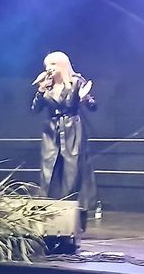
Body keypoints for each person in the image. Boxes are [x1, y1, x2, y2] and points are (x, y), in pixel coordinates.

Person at [31, 51, 97, 230]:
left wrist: (84, 98)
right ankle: (48, 217)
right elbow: (35, 109)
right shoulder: (47, 84)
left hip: (72, 128)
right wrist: (41, 90)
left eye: (53, 65)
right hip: (51, 130)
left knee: (73, 171)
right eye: (47, 66)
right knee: (49, 171)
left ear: (62, 65)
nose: (49, 69)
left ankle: (74, 218)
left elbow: (93, 106)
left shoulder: (76, 81)